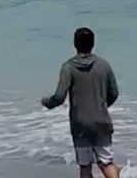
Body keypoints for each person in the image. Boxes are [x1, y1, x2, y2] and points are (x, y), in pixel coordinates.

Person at [41, 27, 121, 178]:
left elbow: (59, 96)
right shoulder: (104, 65)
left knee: (85, 166)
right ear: (93, 43)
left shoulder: (68, 68)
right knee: (106, 163)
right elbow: (114, 93)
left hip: (81, 125)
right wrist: (101, 106)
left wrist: (47, 102)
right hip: (101, 121)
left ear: (74, 44)